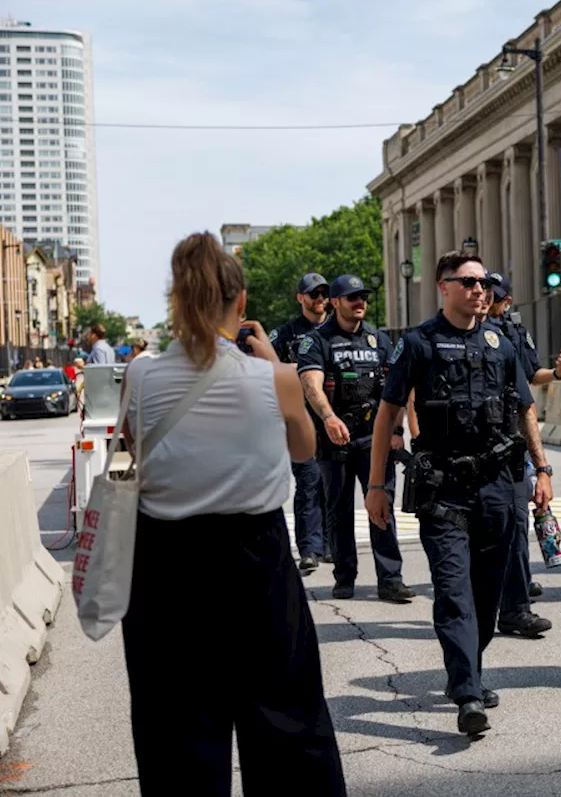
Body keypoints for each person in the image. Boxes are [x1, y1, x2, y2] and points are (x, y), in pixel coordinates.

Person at [120, 232, 344, 795]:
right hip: (256, 559)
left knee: (177, 734)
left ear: (176, 299)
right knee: (288, 725)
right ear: (240, 304)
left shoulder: (141, 376)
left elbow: (134, 449)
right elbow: (303, 450)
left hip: (166, 566)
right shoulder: (276, 379)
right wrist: (272, 361)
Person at [365, 253, 553, 735]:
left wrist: (542, 469)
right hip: (444, 488)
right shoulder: (418, 343)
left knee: (488, 595)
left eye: (484, 282)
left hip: (497, 485)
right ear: (443, 287)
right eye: (468, 281)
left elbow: (524, 411)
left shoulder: (502, 343)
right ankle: (468, 693)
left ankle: (468, 669)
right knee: (453, 592)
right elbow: (387, 413)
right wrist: (377, 484)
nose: (479, 289)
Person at [297, 275, 415, 604]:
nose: (359, 302)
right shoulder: (317, 341)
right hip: (333, 440)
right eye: (352, 298)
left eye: (362, 296)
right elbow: (311, 384)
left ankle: (390, 579)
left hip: (373, 440)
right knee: (338, 510)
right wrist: (329, 417)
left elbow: (396, 390)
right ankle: (344, 577)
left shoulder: (379, 340)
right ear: (335, 303)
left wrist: (396, 431)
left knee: (382, 506)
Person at [486, 271, 561, 638]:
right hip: (469, 451)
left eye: (495, 296)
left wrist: (556, 372)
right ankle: (485, 603)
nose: (488, 300)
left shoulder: (513, 335)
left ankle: (516, 609)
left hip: (511, 443)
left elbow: (529, 386)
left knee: (517, 526)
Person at [271, 273, 332, 570]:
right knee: (308, 482)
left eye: (324, 293)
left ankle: (331, 544)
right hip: (300, 417)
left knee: (334, 484)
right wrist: (302, 368)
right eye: (313, 293)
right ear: (300, 298)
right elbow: (267, 367)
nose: (320, 298)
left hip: (336, 417)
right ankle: (309, 548)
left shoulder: (339, 330)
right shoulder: (286, 333)